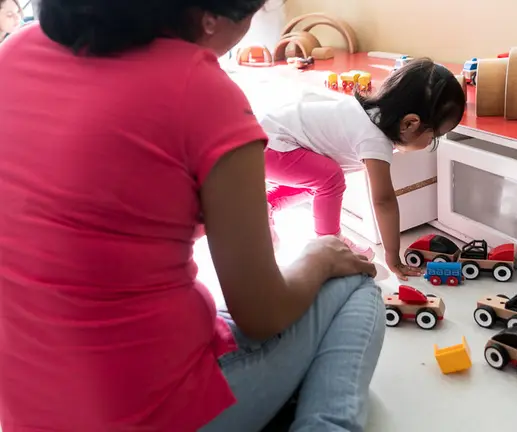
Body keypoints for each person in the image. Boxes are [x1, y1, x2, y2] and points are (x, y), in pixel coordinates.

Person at [0, 1, 384, 431]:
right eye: (250, 17)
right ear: (209, 17)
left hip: (27, 408)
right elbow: (263, 314)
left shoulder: (15, 52)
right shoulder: (200, 90)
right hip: (148, 413)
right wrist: (321, 255)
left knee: (219, 311)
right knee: (355, 285)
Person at [261, 58, 467, 280]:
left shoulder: (370, 115)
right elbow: (384, 201)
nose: (431, 143)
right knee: (329, 179)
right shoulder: (374, 139)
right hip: (273, 145)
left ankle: (268, 204)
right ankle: (330, 244)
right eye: (434, 136)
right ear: (410, 124)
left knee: (321, 181)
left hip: (269, 140)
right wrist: (392, 255)